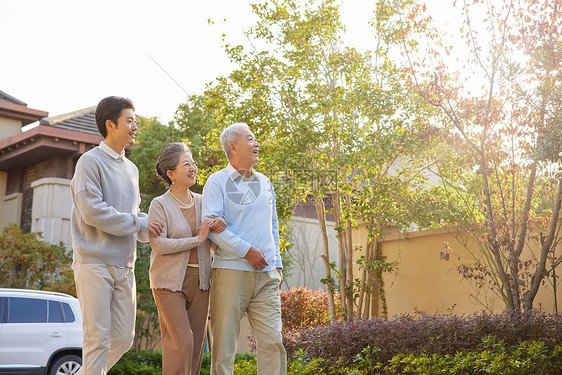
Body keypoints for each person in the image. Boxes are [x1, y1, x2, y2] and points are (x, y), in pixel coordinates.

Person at [70, 96, 163, 375]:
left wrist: (150, 225)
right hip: (94, 263)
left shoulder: (131, 169)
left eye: (136, 120)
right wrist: (139, 223)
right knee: (96, 338)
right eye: (130, 120)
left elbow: (132, 215)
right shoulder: (89, 162)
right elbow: (93, 212)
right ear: (110, 124)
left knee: (123, 338)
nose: (135, 126)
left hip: (126, 265)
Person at [202, 123, 287, 375]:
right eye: (251, 139)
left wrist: (277, 262)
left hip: (267, 276)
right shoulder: (216, 182)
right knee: (224, 350)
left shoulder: (265, 182)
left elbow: (272, 224)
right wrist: (246, 250)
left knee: (273, 343)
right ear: (233, 146)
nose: (257, 143)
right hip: (230, 273)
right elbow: (212, 226)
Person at [148, 142, 226, 375]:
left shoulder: (204, 202)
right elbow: (159, 245)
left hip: (201, 282)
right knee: (183, 342)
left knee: (195, 350)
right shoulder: (159, 204)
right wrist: (197, 239)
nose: (193, 168)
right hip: (168, 283)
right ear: (171, 174)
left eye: (193, 163)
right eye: (186, 164)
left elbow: (212, 245)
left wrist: (219, 228)